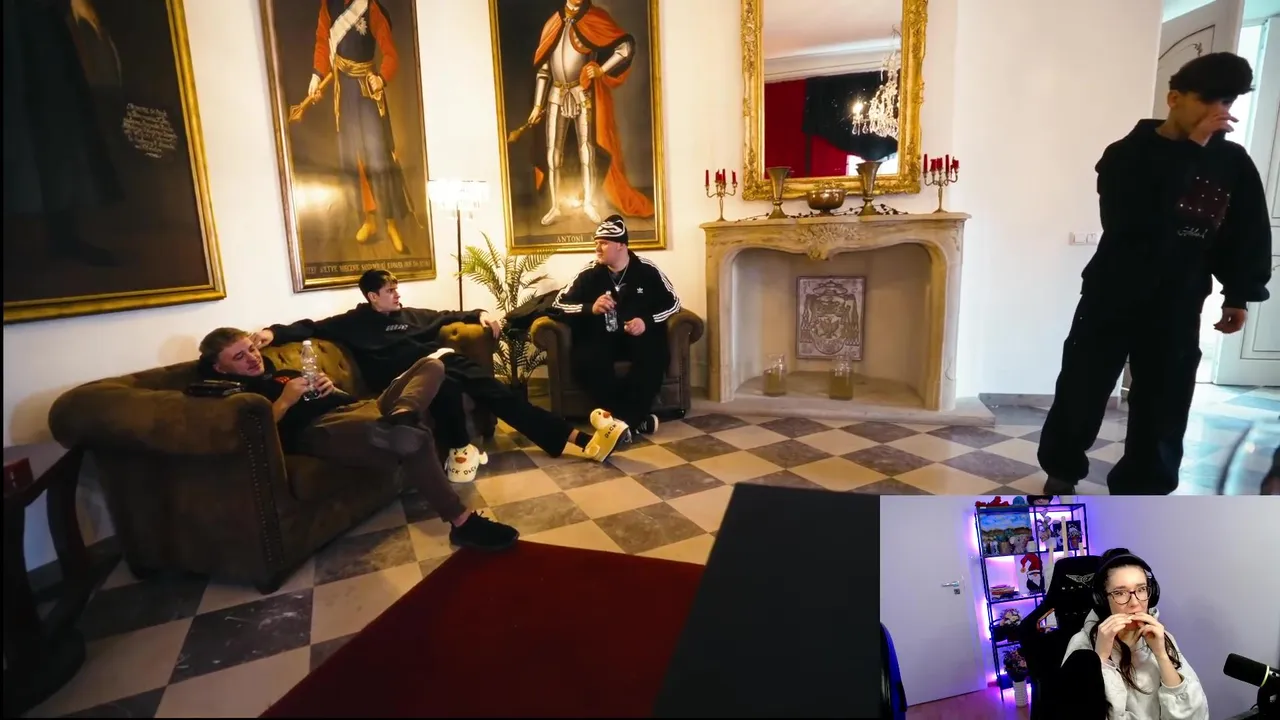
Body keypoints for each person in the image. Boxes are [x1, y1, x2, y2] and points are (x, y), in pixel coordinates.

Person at [1038, 52, 1272, 496]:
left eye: (1227, 101)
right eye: (1208, 99)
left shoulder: (1233, 163)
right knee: (1083, 387)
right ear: (1174, 98)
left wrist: (1239, 292)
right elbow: (1129, 222)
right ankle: (1062, 471)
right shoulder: (1126, 155)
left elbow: (1246, 230)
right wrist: (1191, 151)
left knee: (1165, 399)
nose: (1218, 111)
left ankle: (1143, 489)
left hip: (1180, 298)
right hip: (1112, 292)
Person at [252, 269, 630, 467]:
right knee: (450, 388)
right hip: (410, 379)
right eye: (391, 292)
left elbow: (450, 314)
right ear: (372, 297)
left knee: (497, 392)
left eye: (397, 289)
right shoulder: (351, 323)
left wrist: (481, 314)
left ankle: (577, 440)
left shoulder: (411, 315)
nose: (398, 295)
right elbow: (310, 327)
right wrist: (273, 332)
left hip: (445, 361)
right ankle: (461, 451)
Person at [197, 327, 518, 551]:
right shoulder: (235, 393)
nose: (252, 357)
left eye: (251, 349)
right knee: (413, 438)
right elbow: (251, 431)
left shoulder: (277, 372)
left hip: (362, 406)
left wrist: (330, 386)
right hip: (323, 427)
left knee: (432, 365)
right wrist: (285, 401)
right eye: (239, 357)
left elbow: (336, 396)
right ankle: (463, 523)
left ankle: (403, 411)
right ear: (219, 367)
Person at [510, 0, 655, 226]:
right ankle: (555, 206)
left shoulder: (595, 18)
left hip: (582, 92)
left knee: (587, 150)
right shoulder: (553, 23)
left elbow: (625, 47)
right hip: (555, 95)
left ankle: (588, 203)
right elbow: (544, 70)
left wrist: (601, 69)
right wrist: (537, 105)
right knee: (552, 153)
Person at [292, 0, 416, 253]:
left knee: (378, 158)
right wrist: (317, 76)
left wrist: (381, 78)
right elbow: (323, 42)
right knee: (354, 158)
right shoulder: (329, 5)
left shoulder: (371, 8)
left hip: (366, 90)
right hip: (344, 90)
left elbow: (391, 55)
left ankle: (391, 223)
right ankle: (370, 219)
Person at [552, 215, 680, 435]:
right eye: (596, 243)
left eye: (603, 243)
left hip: (638, 337)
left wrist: (646, 322)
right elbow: (558, 304)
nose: (597, 249)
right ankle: (633, 421)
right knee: (586, 359)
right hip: (601, 338)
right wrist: (590, 308)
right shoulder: (589, 273)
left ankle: (620, 424)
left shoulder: (647, 270)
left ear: (621, 245)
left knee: (653, 354)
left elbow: (674, 303)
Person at [1056, 549, 1207, 720]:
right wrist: (1101, 660)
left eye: (1141, 589)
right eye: (1120, 593)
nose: (1135, 603)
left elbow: (1195, 715)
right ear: (1102, 600)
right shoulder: (1081, 646)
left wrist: (1161, 655)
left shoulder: (1160, 637)